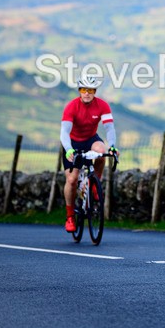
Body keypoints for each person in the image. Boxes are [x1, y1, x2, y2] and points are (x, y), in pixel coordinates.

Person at [60, 76, 118, 233]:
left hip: (90, 139)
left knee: (101, 151)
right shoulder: (72, 106)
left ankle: (94, 182)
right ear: (79, 91)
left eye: (91, 90)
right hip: (72, 143)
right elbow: (64, 132)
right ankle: (70, 216)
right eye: (84, 90)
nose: (87, 93)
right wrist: (69, 149)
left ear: (95, 92)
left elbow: (109, 128)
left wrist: (112, 146)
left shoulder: (102, 105)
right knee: (72, 180)